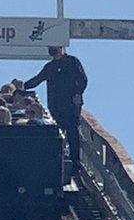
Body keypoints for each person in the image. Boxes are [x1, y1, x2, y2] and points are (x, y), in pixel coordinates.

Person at [24, 46, 88, 174]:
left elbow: (83, 79)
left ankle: (75, 162)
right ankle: (58, 161)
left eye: (53, 46)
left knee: (72, 131)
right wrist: (23, 86)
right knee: (58, 132)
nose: (50, 49)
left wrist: (77, 93)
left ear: (61, 47)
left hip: (70, 105)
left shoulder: (72, 61)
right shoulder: (50, 67)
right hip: (55, 107)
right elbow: (38, 79)